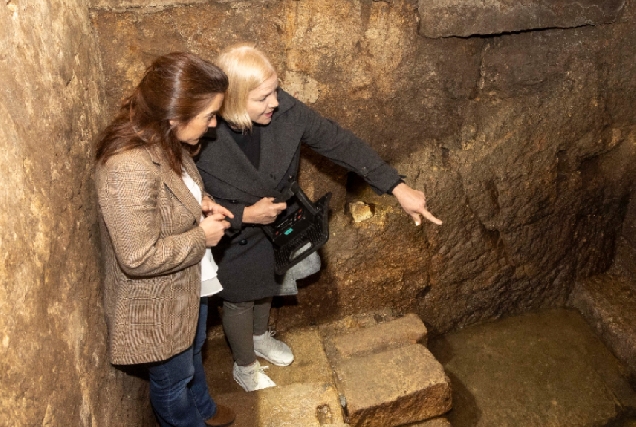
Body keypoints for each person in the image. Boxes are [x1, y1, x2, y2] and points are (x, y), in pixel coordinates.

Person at [195, 44, 442, 392]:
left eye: (276, 90)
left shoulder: (284, 111)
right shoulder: (202, 129)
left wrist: (397, 187)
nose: (276, 102)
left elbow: (338, 142)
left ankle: (260, 336)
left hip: (275, 223)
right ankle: (244, 365)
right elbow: (184, 196)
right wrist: (244, 214)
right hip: (229, 232)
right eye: (264, 97)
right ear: (234, 99)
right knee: (239, 299)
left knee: (268, 282)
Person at [95, 52, 236, 427]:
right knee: (174, 380)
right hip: (157, 302)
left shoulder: (165, 137)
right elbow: (138, 257)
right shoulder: (127, 166)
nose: (214, 123)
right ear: (175, 114)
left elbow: (170, 190)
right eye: (209, 115)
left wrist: (199, 204)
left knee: (194, 352)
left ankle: (204, 409)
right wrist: (201, 236)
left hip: (189, 282)